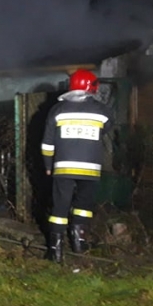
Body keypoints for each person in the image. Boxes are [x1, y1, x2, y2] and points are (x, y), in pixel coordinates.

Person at [41, 69, 115, 263]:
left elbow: (47, 144)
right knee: (83, 206)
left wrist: (48, 165)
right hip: (90, 169)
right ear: (92, 87)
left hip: (63, 168)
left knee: (59, 208)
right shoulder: (101, 110)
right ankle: (79, 243)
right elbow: (107, 127)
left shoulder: (57, 110)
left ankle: (55, 252)